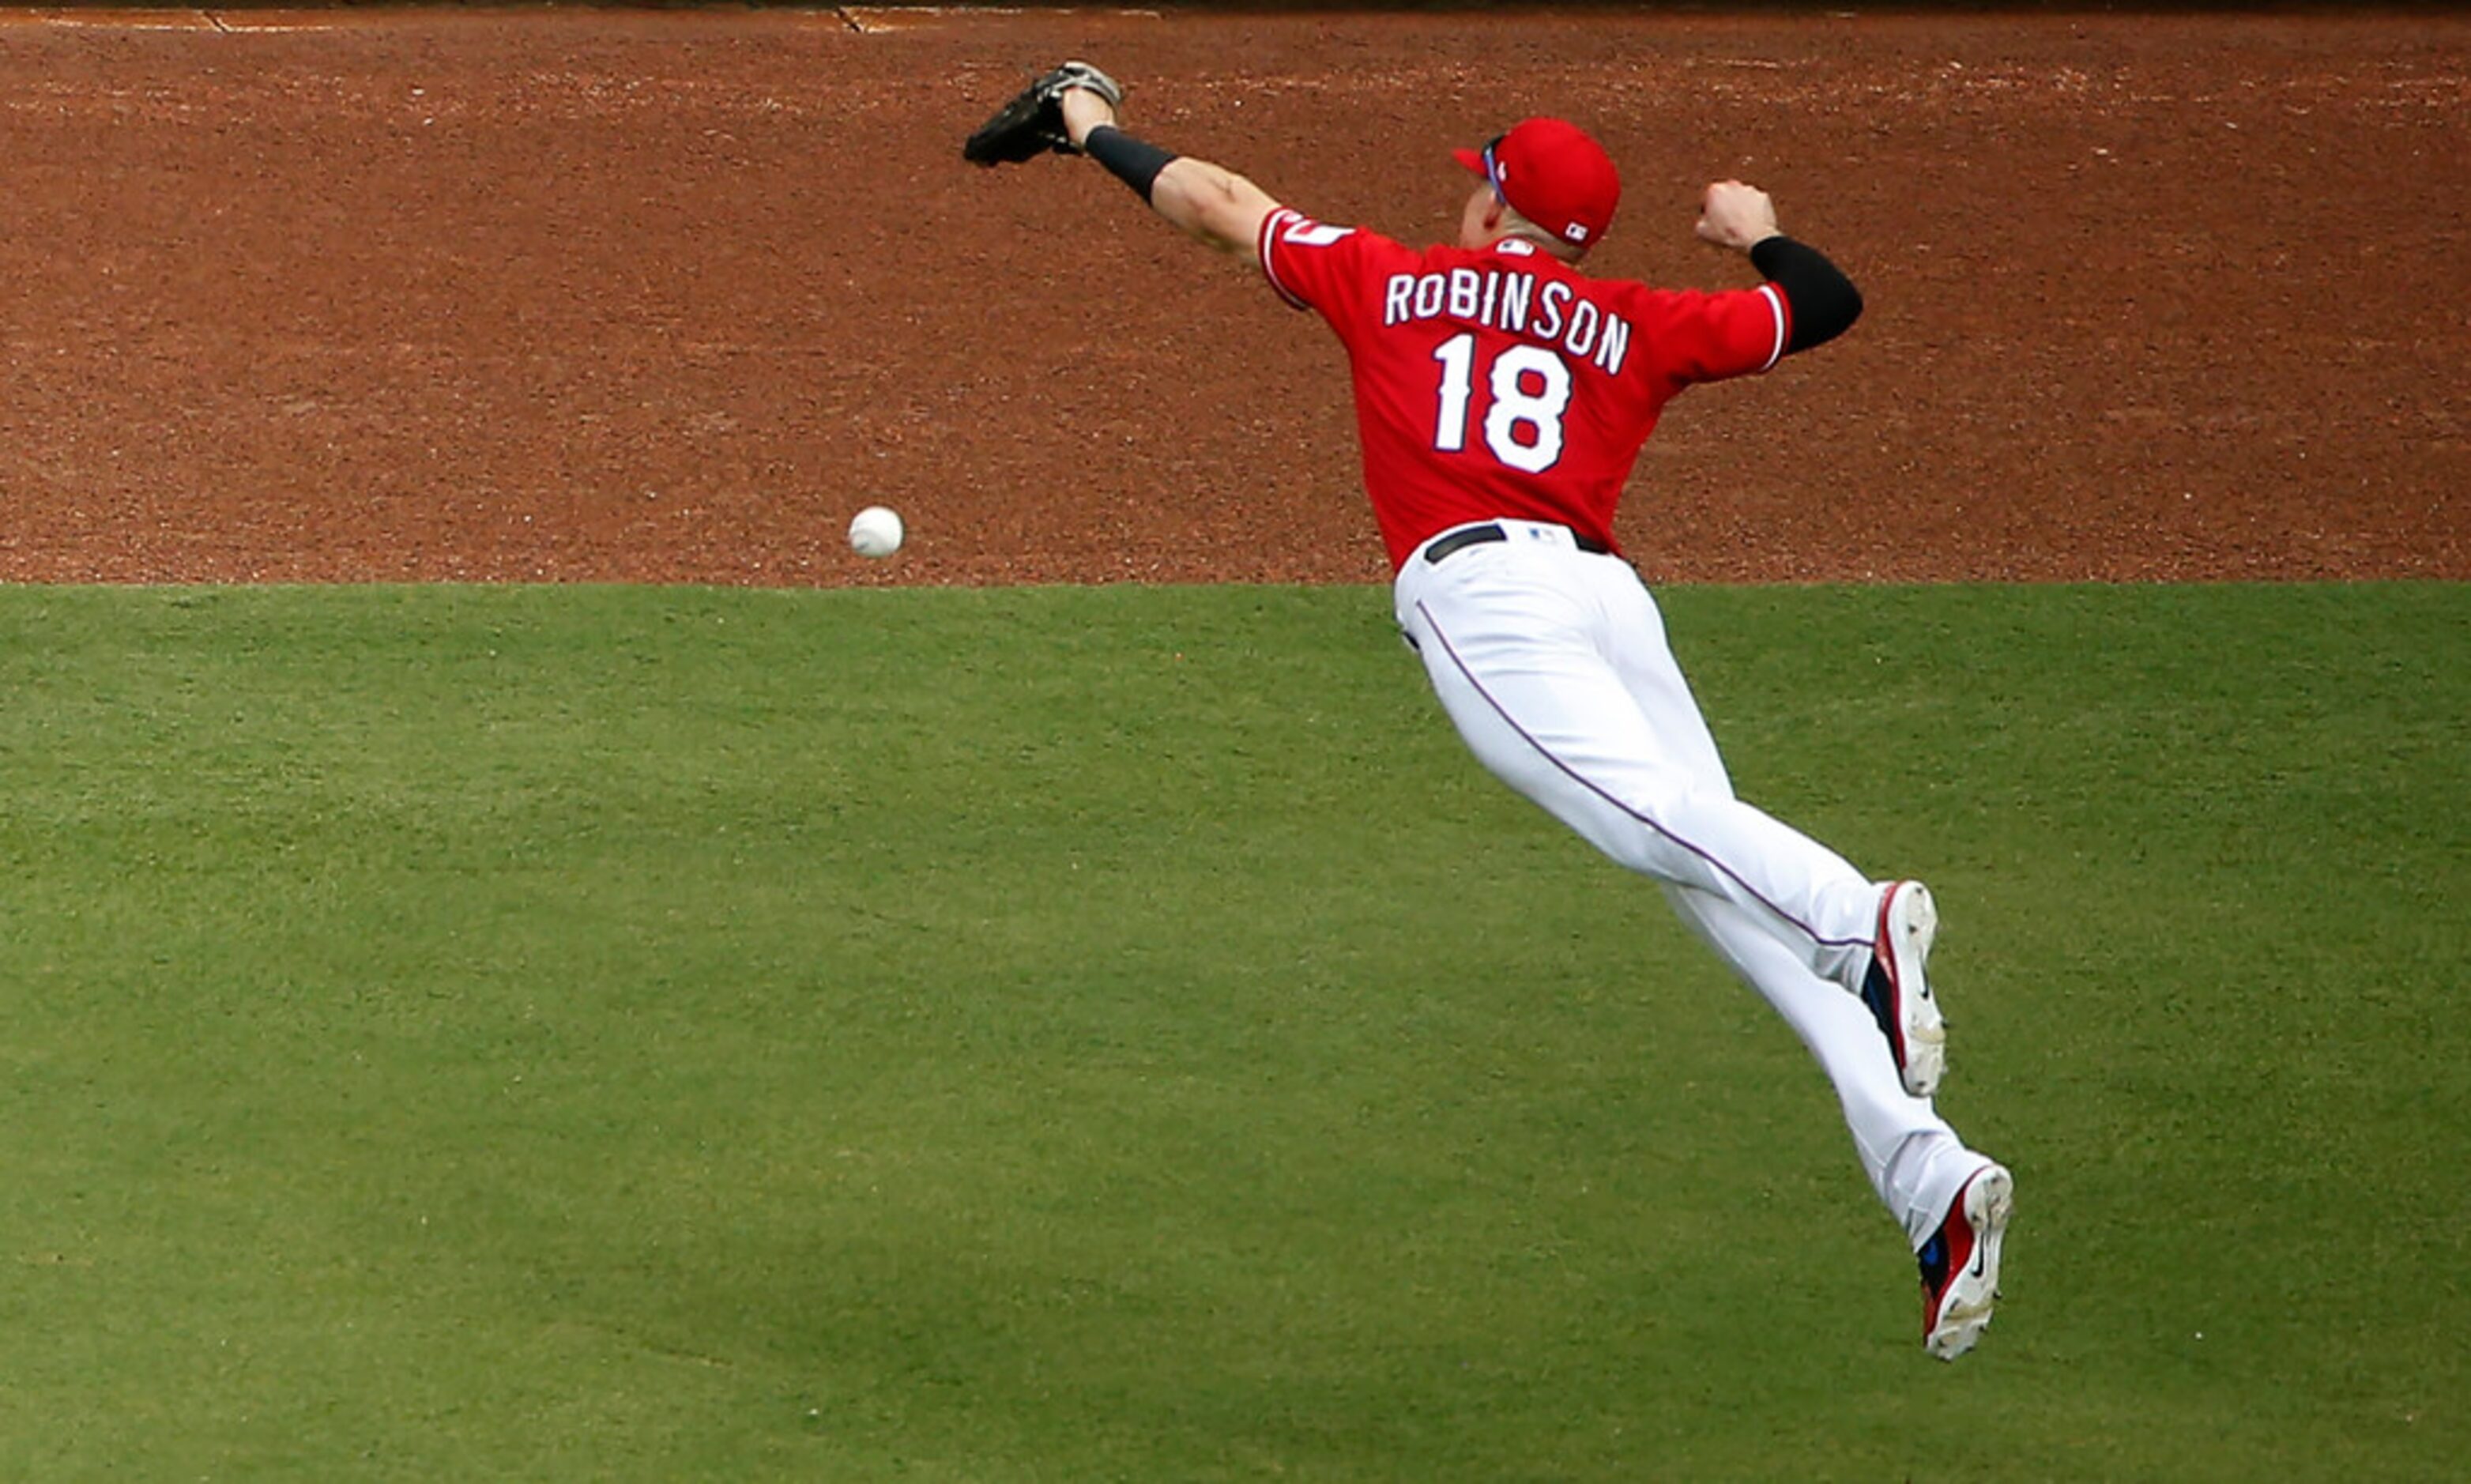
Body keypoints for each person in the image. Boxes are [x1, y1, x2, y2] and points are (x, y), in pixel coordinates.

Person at [1048, 72, 2013, 1360]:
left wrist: (1088, 126)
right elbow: (1820, 305)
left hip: (1492, 600)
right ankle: (1930, 1178)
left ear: (1499, 208)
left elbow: (1219, 205)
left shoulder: (1387, 279)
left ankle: (1862, 916)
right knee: (1723, 884)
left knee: (1653, 825)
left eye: (1479, 175)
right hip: (1610, 603)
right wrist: (1759, 225)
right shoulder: (1632, 317)